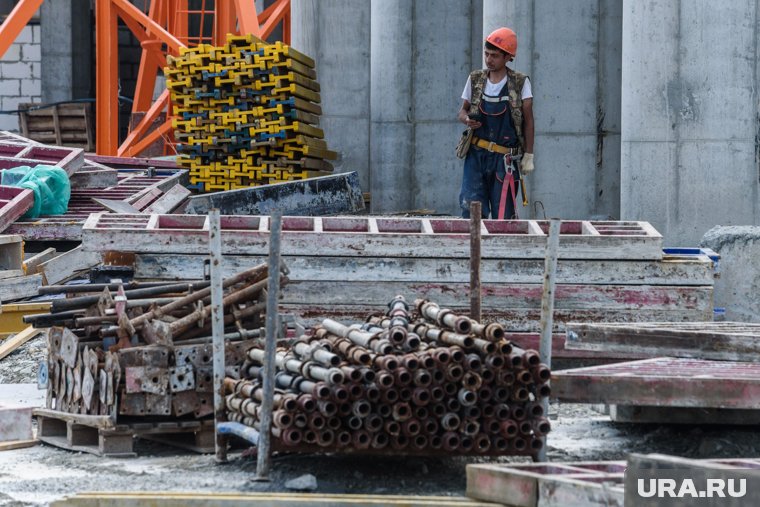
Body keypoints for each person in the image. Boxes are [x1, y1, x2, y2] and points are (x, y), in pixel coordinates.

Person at [457, 27, 534, 219]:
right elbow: (462, 110)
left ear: (508, 57)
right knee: (471, 207)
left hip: (504, 160)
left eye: (495, 56)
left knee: (504, 216)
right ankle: (474, 248)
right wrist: (466, 119)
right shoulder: (476, 79)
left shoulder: (520, 83)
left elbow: (529, 121)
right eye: (486, 54)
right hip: (476, 156)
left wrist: (529, 155)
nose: (489, 60)